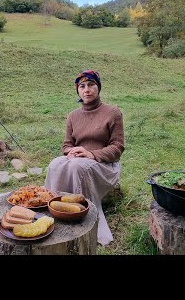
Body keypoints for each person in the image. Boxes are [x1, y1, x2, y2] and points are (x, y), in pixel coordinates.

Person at [44, 69, 125, 246]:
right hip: (77, 160)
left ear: (98, 87)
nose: (86, 89)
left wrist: (91, 154)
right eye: (82, 86)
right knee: (55, 164)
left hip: (105, 165)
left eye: (91, 85)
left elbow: (117, 147)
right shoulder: (73, 115)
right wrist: (70, 152)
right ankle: (55, 213)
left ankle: (83, 219)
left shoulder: (112, 112)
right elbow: (66, 145)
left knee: (76, 167)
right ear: (78, 91)